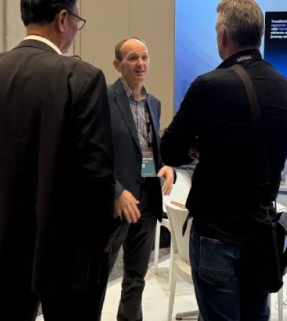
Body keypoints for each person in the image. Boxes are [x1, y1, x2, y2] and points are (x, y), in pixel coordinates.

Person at [0, 1, 117, 320]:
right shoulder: (83, 77)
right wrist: (103, 235)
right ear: (63, 18)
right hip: (66, 243)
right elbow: (96, 172)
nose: (76, 29)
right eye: (77, 21)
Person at [160, 0, 287, 319]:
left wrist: (200, 148)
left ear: (223, 36)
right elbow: (278, 148)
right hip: (261, 232)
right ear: (259, 34)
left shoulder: (209, 85)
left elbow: (169, 150)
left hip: (215, 233)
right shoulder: (283, 85)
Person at [106, 36, 174, 321]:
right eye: (133, 58)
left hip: (146, 200)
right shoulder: (103, 99)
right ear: (117, 64)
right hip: (115, 202)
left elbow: (148, 149)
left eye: (144, 57)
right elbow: (93, 153)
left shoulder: (153, 103)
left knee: (136, 275)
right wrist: (115, 191)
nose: (140, 63)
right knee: (97, 276)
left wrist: (165, 166)